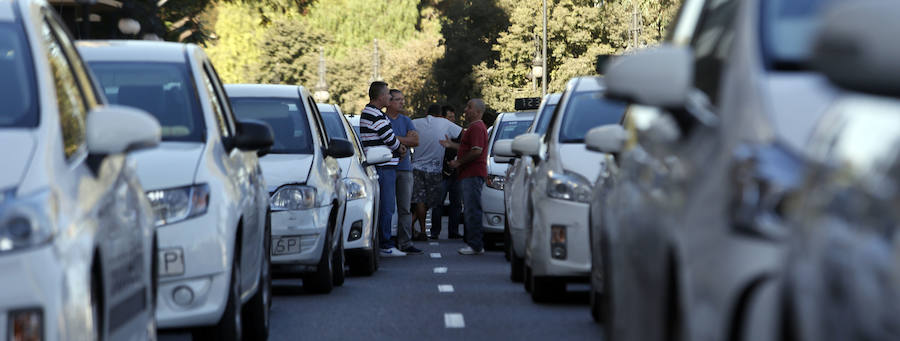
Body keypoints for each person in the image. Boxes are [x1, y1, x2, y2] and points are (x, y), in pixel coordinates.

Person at [360, 81, 408, 257]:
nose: (390, 96)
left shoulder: (371, 113)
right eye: (388, 94)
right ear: (380, 97)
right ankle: (386, 245)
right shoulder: (376, 115)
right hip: (384, 167)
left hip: (383, 166)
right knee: (387, 208)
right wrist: (401, 148)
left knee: (386, 207)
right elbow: (390, 138)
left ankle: (383, 243)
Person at [441, 99, 489, 255]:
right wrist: (452, 145)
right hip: (470, 174)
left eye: (469, 107)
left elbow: (476, 150)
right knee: (470, 208)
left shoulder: (476, 127)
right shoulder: (475, 128)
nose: (465, 110)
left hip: (472, 173)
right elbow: (468, 147)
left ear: (478, 112)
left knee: (472, 209)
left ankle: (475, 245)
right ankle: (474, 243)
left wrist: (458, 162)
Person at [411, 104, 463, 241]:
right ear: (440, 115)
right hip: (435, 170)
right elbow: (463, 134)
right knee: (432, 201)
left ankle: (421, 230)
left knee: (420, 200)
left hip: (416, 168)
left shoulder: (415, 122)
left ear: (427, 112)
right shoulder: (444, 123)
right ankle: (416, 227)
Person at [385, 89, 422, 254]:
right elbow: (381, 137)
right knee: (386, 207)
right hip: (386, 167)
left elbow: (415, 140)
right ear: (389, 101)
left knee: (405, 208)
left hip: (405, 169)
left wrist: (393, 137)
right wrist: (402, 138)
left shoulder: (406, 120)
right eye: (398, 99)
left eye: (403, 99)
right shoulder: (382, 120)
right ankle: (385, 241)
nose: (402, 102)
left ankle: (405, 242)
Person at [431, 105, 464, 240]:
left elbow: (465, 148)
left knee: (456, 204)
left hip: (457, 173)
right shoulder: (437, 131)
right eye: (449, 117)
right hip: (441, 173)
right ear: (442, 118)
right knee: (437, 203)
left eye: (453, 117)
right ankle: (435, 231)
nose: (452, 119)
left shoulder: (458, 132)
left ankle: (454, 231)